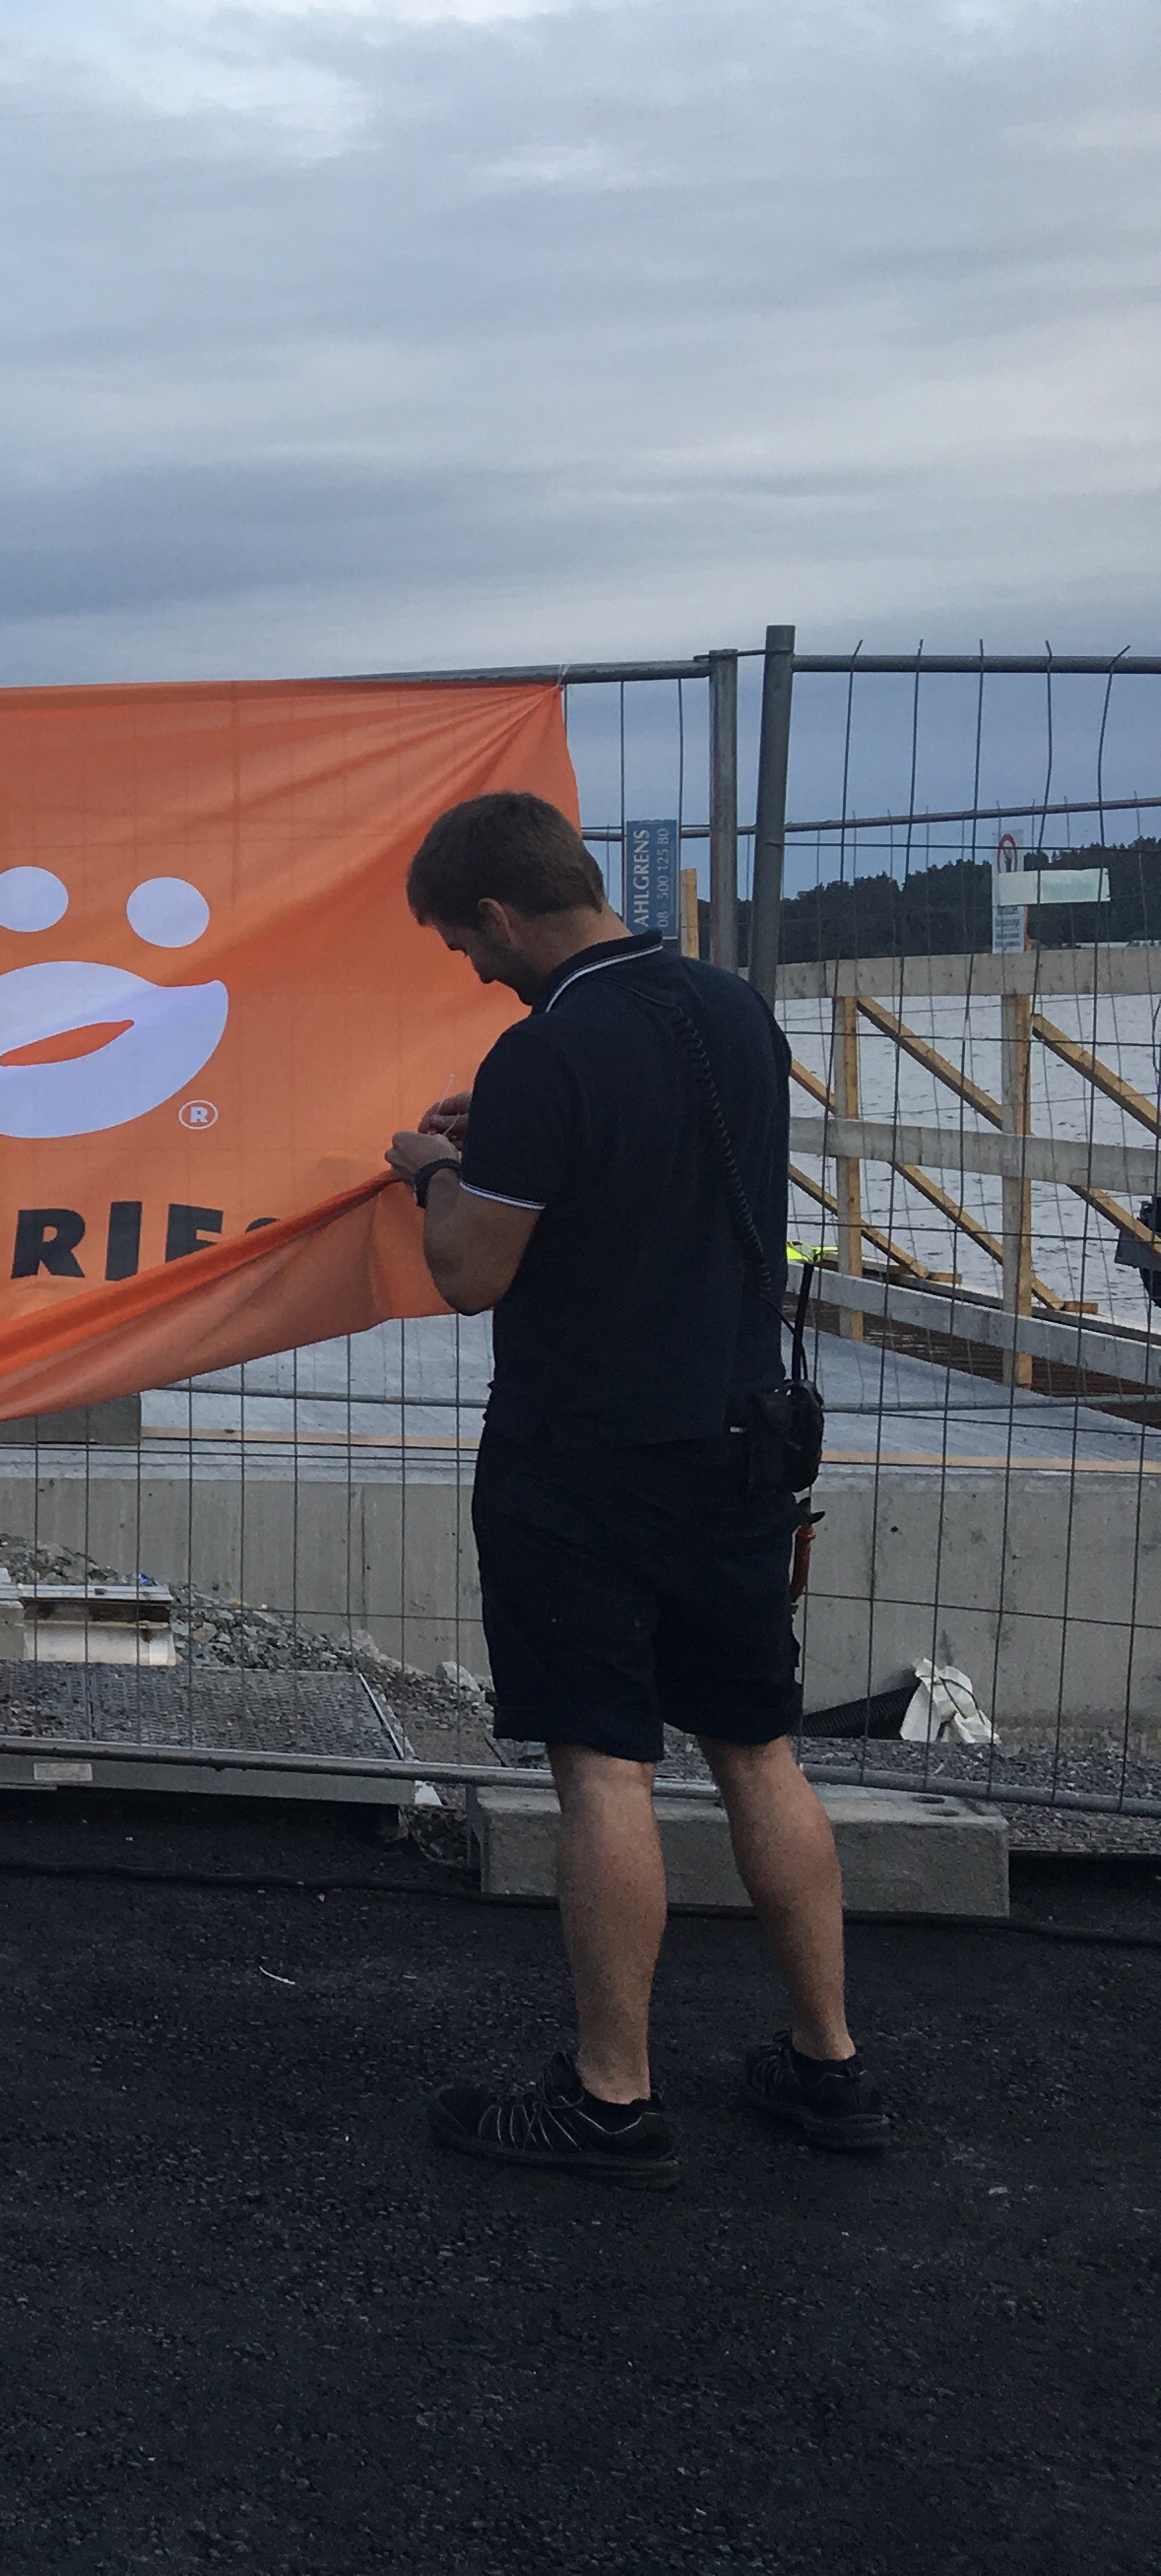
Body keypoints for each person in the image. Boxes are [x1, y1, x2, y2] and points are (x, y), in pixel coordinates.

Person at [387, 789, 883, 2184]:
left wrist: (437, 1169)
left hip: (586, 1458)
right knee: (756, 1748)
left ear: (500, 915)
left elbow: (469, 1271)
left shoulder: (545, 1050)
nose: (471, 969)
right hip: (742, 1444)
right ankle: (831, 2064)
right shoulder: (733, 1011)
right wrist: (513, 1135)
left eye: (463, 944)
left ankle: (611, 2096)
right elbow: (655, 1159)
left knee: (604, 1766)